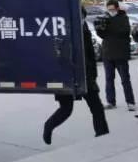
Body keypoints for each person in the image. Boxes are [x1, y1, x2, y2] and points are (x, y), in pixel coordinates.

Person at [43, 7, 109, 144]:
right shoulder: (61, 31)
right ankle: (49, 126)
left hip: (85, 74)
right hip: (65, 75)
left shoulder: (84, 29)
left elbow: (90, 55)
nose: (81, 19)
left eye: (82, 17)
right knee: (66, 108)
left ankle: (102, 133)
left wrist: (93, 74)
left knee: (96, 106)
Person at [95, 0, 136, 111]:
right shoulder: (105, 18)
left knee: (125, 79)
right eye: (109, 10)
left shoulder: (123, 18)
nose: (111, 12)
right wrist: (99, 28)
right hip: (107, 53)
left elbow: (124, 32)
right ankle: (110, 101)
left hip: (121, 53)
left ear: (117, 8)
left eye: (112, 9)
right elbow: (103, 35)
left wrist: (109, 26)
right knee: (109, 79)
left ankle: (130, 102)